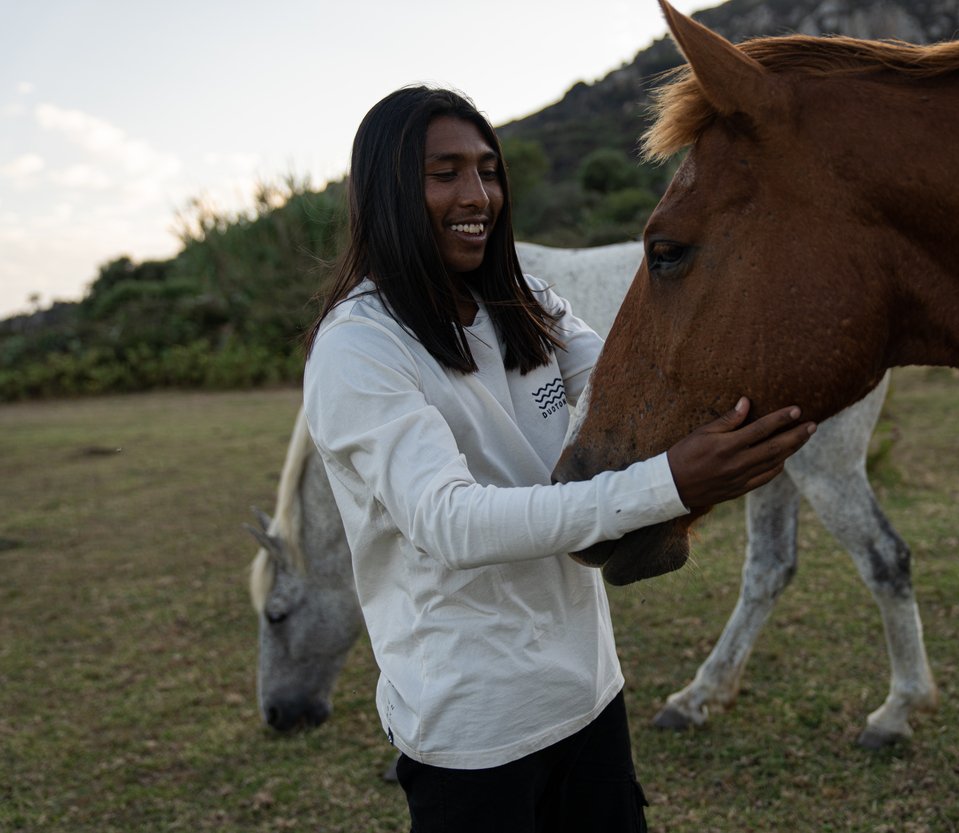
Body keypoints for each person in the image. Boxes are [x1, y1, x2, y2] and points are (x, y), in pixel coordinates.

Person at [301, 85, 816, 832]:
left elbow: (634, 389)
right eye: (444, 173)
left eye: (488, 169)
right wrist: (670, 483)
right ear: (384, 191)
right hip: (473, 731)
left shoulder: (525, 300)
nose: (478, 194)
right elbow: (449, 523)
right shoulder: (359, 348)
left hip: (589, 691)